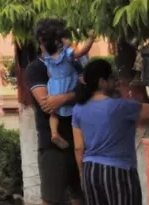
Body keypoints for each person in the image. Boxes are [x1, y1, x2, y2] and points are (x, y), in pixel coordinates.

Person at [72, 58, 149, 205]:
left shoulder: (78, 109)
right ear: (102, 82)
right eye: (112, 77)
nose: (116, 81)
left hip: (90, 172)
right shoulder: (121, 107)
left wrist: (82, 173)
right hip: (118, 172)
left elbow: (78, 148)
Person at [26, 19, 93, 205]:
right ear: (42, 40)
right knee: (53, 199)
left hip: (82, 139)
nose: (63, 41)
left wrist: (63, 98)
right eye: (58, 38)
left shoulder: (74, 61)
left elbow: (89, 89)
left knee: (82, 196)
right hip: (53, 145)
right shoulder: (36, 69)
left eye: (64, 36)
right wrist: (73, 94)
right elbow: (48, 104)